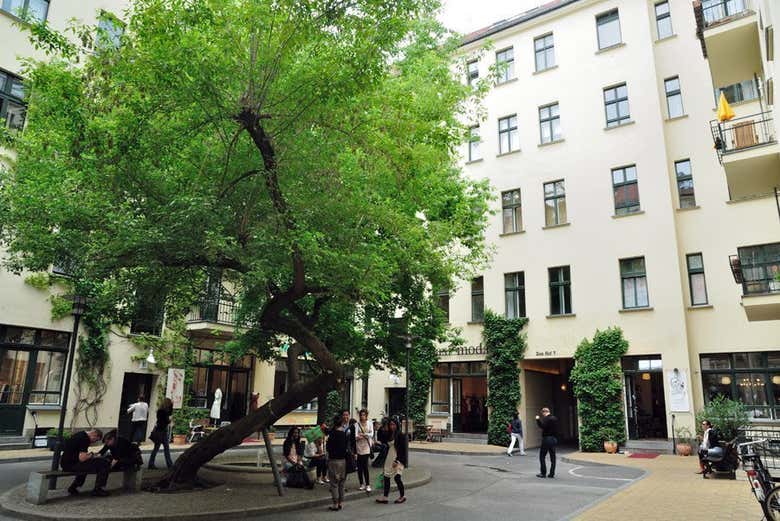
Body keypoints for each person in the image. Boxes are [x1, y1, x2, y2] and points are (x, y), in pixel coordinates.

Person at [60, 428, 110, 497]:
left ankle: (73, 487)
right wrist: (92, 455)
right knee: (104, 463)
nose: (93, 442)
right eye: (96, 440)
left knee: (87, 466)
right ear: (94, 434)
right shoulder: (85, 439)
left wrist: (88, 456)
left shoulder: (79, 434)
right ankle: (98, 489)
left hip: (66, 463)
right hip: (72, 465)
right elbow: (82, 458)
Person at [375, 417, 407, 504]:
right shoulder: (389, 434)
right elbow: (381, 437)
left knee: (397, 477)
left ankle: (402, 496)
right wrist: (382, 427)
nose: (392, 426)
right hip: (389, 457)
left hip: (398, 459)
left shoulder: (401, 435)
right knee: (386, 477)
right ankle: (385, 497)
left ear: (397, 425)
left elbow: (403, 450)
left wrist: (397, 460)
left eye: (393, 424)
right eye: (390, 424)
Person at [326, 414, 348, 511]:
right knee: (342, 483)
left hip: (334, 461)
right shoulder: (344, 434)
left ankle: (335, 503)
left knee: (334, 483)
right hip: (343, 461)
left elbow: (328, 448)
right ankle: (340, 503)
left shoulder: (332, 435)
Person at [148, 398, 173, 469]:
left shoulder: (160, 411)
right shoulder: (163, 412)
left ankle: (151, 463)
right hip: (161, 431)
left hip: (160, 430)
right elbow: (165, 421)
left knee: (157, 448)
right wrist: (169, 421)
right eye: (169, 403)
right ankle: (169, 464)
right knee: (165, 448)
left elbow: (169, 413)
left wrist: (171, 406)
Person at [536, 407, 558, 479]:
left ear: (544, 412)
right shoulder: (555, 418)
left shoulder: (546, 419)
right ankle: (552, 474)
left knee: (542, 456)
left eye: (543, 414)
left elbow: (542, 426)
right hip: (554, 439)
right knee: (553, 457)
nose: (543, 415)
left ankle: (543, 473)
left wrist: (538, 420)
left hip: (547, 439)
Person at [355, 408, 374, 491]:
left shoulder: (370, 423)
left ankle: (368, 484)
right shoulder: (356, 424)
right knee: (359, 467)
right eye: (361, 415)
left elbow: (372, 433)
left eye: (364, 415)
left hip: (367, 446)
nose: (362, 416)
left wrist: (364, 434)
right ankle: (361, 484)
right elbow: (355, 436)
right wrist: (361, 436)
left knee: (365, 466)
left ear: (366, 415)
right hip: (359, 446)